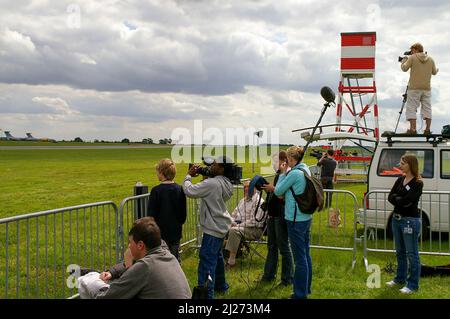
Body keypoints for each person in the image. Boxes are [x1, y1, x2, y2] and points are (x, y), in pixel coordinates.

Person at [93, 217, 192, 299]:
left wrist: (96, 286)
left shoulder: (145, 266)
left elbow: (109, 297)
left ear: (140, 245)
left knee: (90, 285)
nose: (129, 246)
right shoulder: (167, 255)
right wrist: (113, 272)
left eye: (130, 242)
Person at [182, 156, 234, 299]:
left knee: (206, 263)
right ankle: (221, 287)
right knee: (217, 258)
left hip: (212, 229)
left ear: (222, 169)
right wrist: (207, 175)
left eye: (215, 165)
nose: (212, 167)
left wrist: (188, 176)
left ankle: (206, 296)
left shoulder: (212, 184)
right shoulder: (226, 182)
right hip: (220, 227)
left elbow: (190, 191)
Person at [273, 146, 313, 299]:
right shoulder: (305, 169)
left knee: (300, 258)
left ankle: (299, 294)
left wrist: (283, 173)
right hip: (306, 218)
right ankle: (306, 288)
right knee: (305, 254)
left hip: (295, 220)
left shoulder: (295, 173)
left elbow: (278, 191)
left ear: (290, 159)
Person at [386, 154, 423, 294]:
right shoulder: (400, 179)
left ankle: (412, 285)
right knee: (400, 252)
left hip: (410, 221)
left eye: (403, 163)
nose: (400, 165)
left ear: (410, 165)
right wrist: (399, 199)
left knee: (412, 254)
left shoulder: (418, 183)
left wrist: (398, 199)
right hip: (396, 219)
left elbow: (409, 201)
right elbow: (391, 197)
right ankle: (399, 278)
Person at [260, 151, 294, 287]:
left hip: (281, 215)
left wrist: (272, 188)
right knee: (271, 246)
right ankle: (268, 275)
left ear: (283, 160)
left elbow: (284, 194)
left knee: (284, 247)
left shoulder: (288, 173)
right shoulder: (279, 173)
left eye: (276, 161)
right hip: (273, 214)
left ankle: (287, 279)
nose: (274, 164)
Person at [147, 158, 186, 262]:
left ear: (162, 173)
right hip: (176, 231)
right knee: (175, 258)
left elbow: (151, 215)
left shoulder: (156, 191)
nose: (157, 174)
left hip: (160, 233)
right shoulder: (180, 189)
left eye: (157, 172)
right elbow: (183, 214)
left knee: (161, 259)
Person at [224, 180, 266, 268]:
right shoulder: (242, 200)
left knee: (234, 231)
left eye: (249, 187)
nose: (246, 189)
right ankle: (220, 256)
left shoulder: (259, 202)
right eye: (245, 187)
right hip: (241, 226)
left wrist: (237, 225)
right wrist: (232, 221)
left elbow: (254, 221)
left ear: (255, 188)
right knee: (221, 227)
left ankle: (231, 262)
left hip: (255, 229)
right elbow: (234, 214)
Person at [401, 42, 439, 135]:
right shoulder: (430, 59)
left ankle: (413, 129)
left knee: (411, 108)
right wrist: (437, 69)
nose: (411, 52)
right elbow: (434, 72)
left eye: (412, 50)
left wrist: (403, 61)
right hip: (426, 88)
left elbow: (404, 68)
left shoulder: (412, 58)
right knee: (427, 108)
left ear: (416, 49)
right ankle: (427, 130)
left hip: (414, 88)